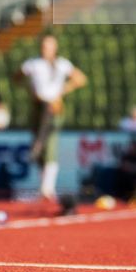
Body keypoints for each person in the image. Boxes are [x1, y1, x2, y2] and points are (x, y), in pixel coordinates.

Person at [20, 33, 87, 202]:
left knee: (49, 144)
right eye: (44, 46)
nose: (46, 49)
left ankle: (47, 188)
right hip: (38, 108)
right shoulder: (32, 64)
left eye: (49, 46)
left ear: (55, 47)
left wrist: (62, 91)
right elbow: (17, 77)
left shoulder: (63, 64)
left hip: (54, 108)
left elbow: (80, 79)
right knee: (39, 148)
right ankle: (44, 186)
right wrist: (30, 90)